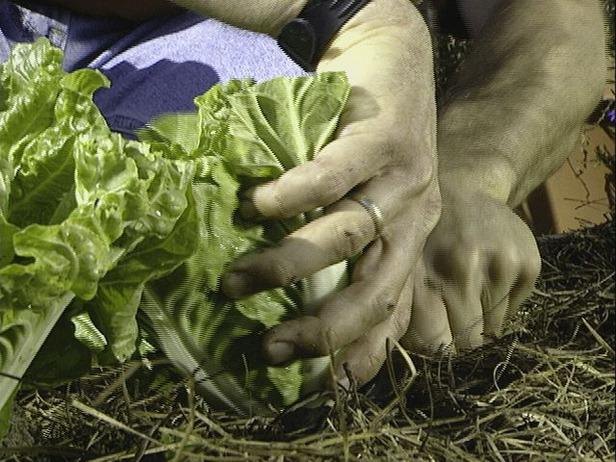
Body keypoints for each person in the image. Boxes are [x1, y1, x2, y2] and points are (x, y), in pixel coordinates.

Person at [0, 0, 606, 391]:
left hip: (184, 42)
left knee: (301, 202)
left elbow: (555, 21)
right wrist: (349, 10)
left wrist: (458, 176)